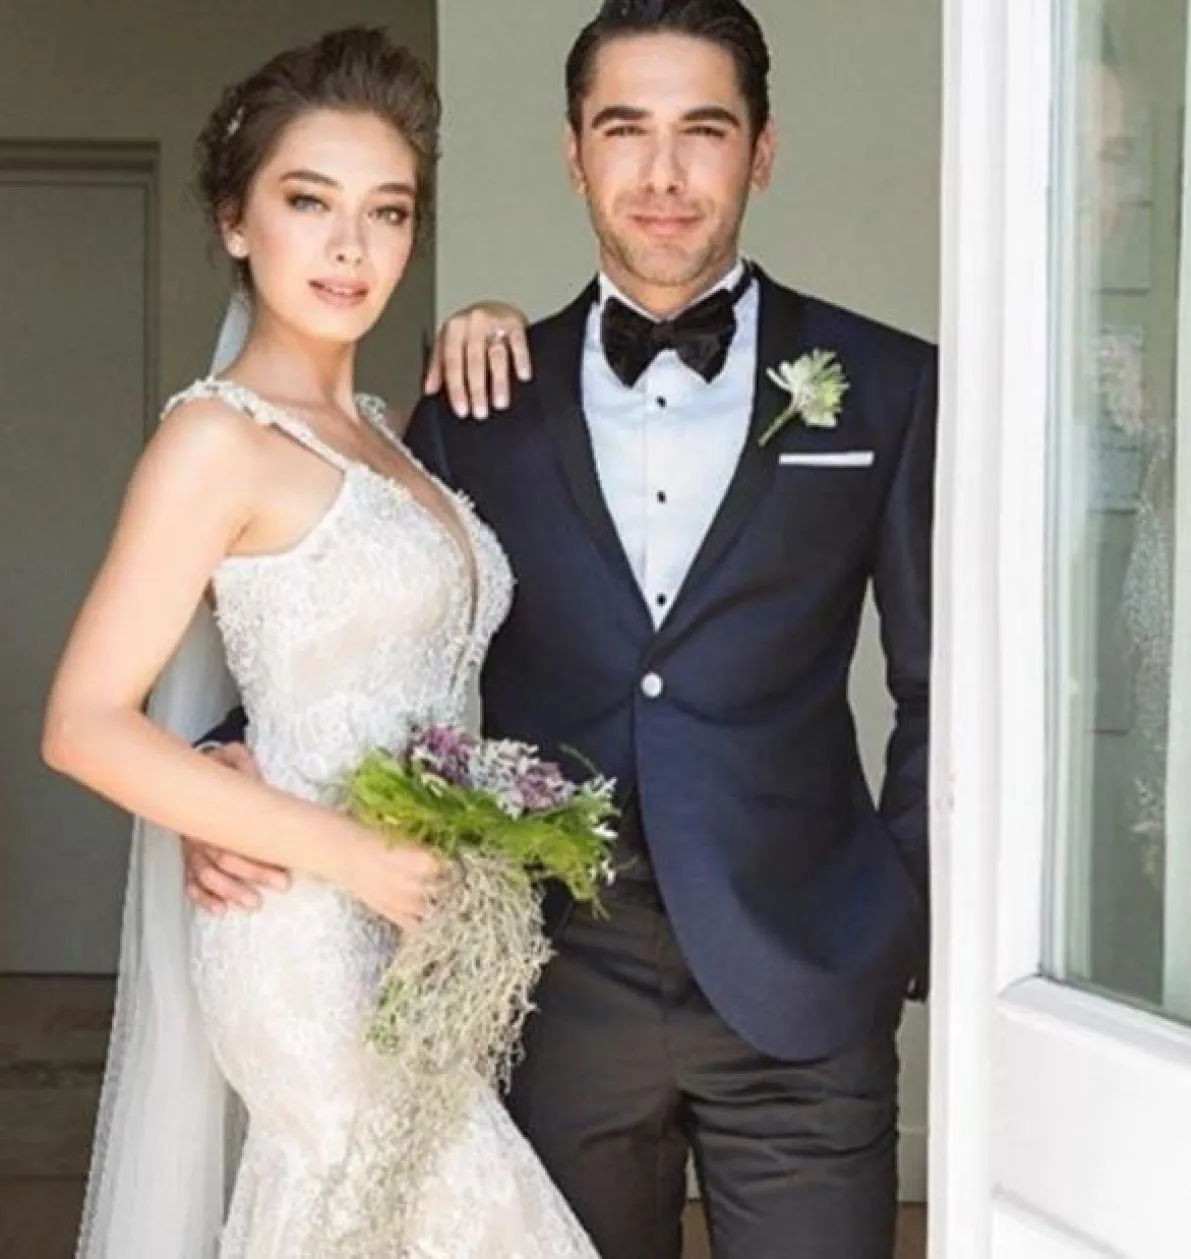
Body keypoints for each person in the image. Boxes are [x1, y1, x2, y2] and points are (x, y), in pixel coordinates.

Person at [196, 2, 938, 1256]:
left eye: (705, 131)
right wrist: (223, 761)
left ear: (762, 152)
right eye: (625, 129)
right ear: (574, 153)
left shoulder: (891, 385)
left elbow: (941, 684)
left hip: (804, 983)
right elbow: (380, 609)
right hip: (549, 987)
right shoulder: (477, 394)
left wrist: (900, 918)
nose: (663, 173)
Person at [42, 26, 598, 1259]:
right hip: (301, 933)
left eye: (386, 211)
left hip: (419, 938)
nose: (352, 246)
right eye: (309, 201)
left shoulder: (391, 436)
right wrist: (351, 853)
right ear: (236, 220)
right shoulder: (216, 440)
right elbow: (82, 723)